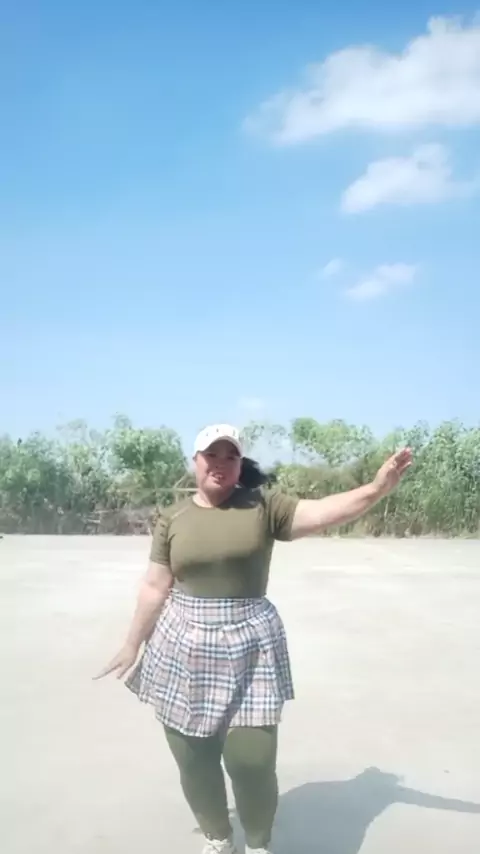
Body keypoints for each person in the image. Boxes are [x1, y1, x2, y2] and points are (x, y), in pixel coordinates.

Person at [95, 423, 412, 854]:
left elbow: (324, 512)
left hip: (250, 644)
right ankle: (218, 838)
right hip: (183, 643)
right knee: (193, 758)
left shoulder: (264, 506)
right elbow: (155, 586)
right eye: (212, 454)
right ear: (195, 460)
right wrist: (133, 642)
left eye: (231, 456)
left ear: (240, 463)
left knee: (253, 761)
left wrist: (375, 490)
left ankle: (259, 843)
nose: (221, 463)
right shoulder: (174, 518)